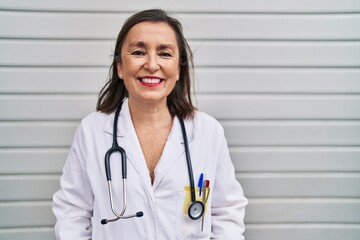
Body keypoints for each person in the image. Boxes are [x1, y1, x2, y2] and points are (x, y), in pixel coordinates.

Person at [53, 9, 247, 240]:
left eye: (165, 54)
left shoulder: (207, 131)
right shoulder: (92, 131)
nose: (152, 64)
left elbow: (226, 213)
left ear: (178, 69)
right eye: (138, 52)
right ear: (120, 67)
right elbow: (72, 214)